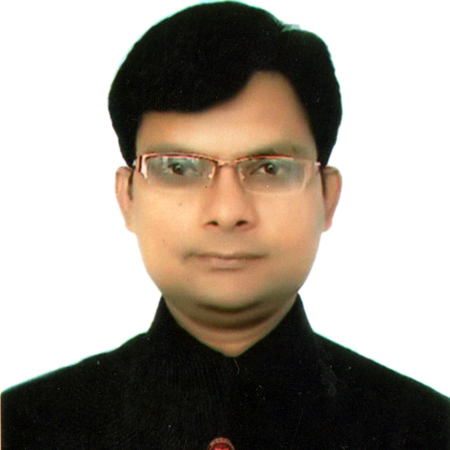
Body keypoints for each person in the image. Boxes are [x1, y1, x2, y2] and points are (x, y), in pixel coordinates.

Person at [1, 2, 449, 449]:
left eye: (270, 168)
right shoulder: (22, 428)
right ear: (128, 197)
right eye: (179, 167)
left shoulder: (428, 431)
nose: (228, 210)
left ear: (328, 197)